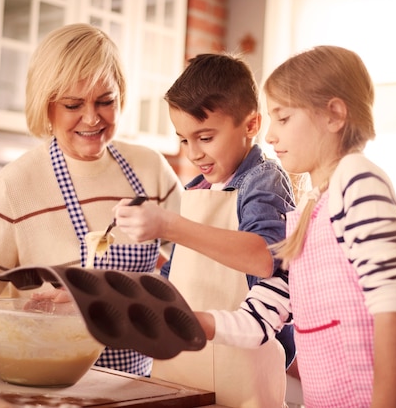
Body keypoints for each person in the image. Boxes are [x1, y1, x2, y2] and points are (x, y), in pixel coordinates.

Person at [194, 46, 396, 407]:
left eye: (283, 118)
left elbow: (391, 309)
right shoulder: (313, 205)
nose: (270, 137)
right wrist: (193, 322)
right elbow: (262, 317)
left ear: (334, 115)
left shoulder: (358, 181)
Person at [0, 23, 183, 377]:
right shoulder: (14, 186)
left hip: (137, 384)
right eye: (73, 104)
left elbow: (191, 268)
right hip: (47, 383)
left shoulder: (150, 169)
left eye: (106, 101)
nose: (92, 118)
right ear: (46, 105)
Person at [113, 53, 295, 407]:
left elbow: (263, 258)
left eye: (205, 137)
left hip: (242, 377)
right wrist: (101, 295)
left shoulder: (264, 181)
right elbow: (172, 285)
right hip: (183, 371)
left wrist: (168, 224)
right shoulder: (196, 189)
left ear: (251, 125)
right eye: (183, 140)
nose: (193, 152)